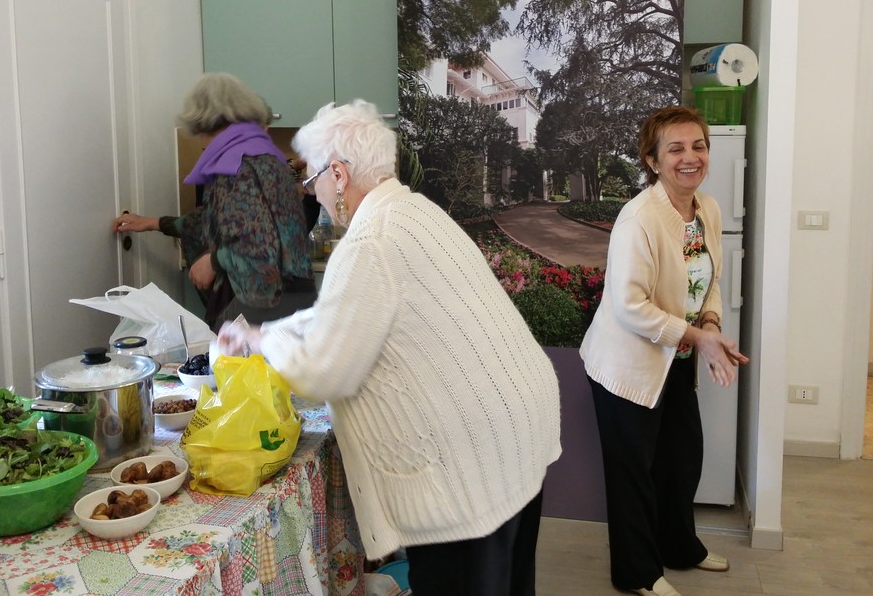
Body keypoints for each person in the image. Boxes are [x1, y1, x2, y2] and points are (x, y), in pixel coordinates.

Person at [216, 99, 561, 596]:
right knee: (509, 581)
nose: (315, 195)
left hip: (472, 463)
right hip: (516, 430)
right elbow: (342, 314)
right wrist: (267, 334)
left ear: (338, 173)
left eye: (313, 182)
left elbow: (324, 371)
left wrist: (265, 344)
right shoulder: (414, 210)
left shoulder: (368, 242)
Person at [580, 106, 749, 596]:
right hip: (626, 365)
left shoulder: (707, 210)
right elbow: (630, 306)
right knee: (633, 473)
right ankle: (637, 574)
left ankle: (680, 548)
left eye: (698, 146)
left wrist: (712, 324)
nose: (690, 157)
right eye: (675, 148)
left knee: (681, 459)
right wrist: (699, 338)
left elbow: (710, 281)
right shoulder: (639, 219)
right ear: (653, 161)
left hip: (673, 358)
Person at [113, 73, 313, 329]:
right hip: (290, 300)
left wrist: (212, 261)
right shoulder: (262, 153)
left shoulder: (238, 163)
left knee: (235, 367)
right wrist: (152, 223)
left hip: (265, 305)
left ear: (203, 117)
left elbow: (258, 245)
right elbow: (215, 219)